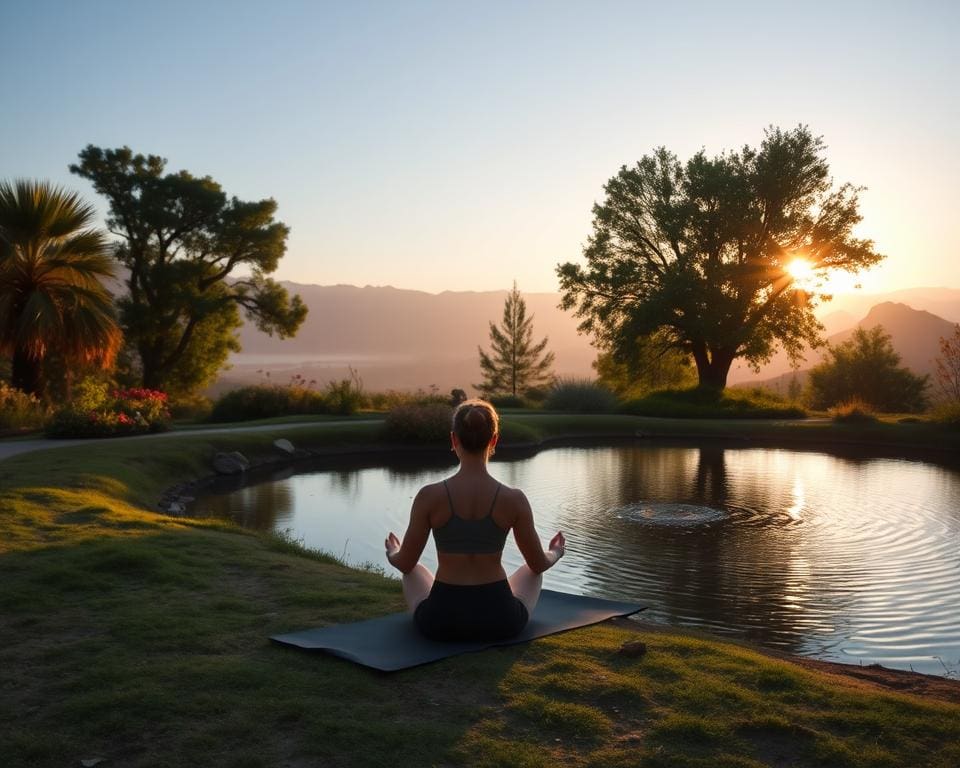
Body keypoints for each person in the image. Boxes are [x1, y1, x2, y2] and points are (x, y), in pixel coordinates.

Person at [384, 398, 566, 641]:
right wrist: (556, 551)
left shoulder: (429, 496)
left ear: (453, 439)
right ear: (494, 440)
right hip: (501, 621)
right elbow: (538, 564)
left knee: (414, 570)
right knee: (530, 572)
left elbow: (405, 564)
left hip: (440, 622)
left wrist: (392, 552)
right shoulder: (514, 499)